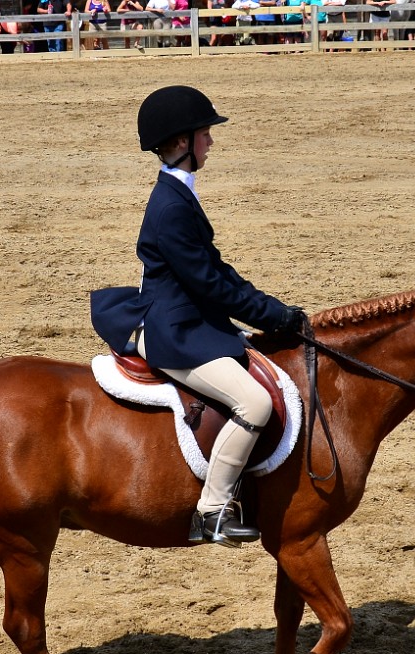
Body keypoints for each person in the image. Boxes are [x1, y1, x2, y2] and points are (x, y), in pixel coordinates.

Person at [90, 86, 306, 547]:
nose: (212, 142)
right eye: (205, 134)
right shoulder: (170, 207)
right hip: (175, 331)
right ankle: (211, 512)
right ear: (184, 142)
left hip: (188, 317)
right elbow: (210, 283)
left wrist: (272, 308)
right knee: (256, 404)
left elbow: (216, 270)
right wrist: (275, 316)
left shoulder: (179, 194)